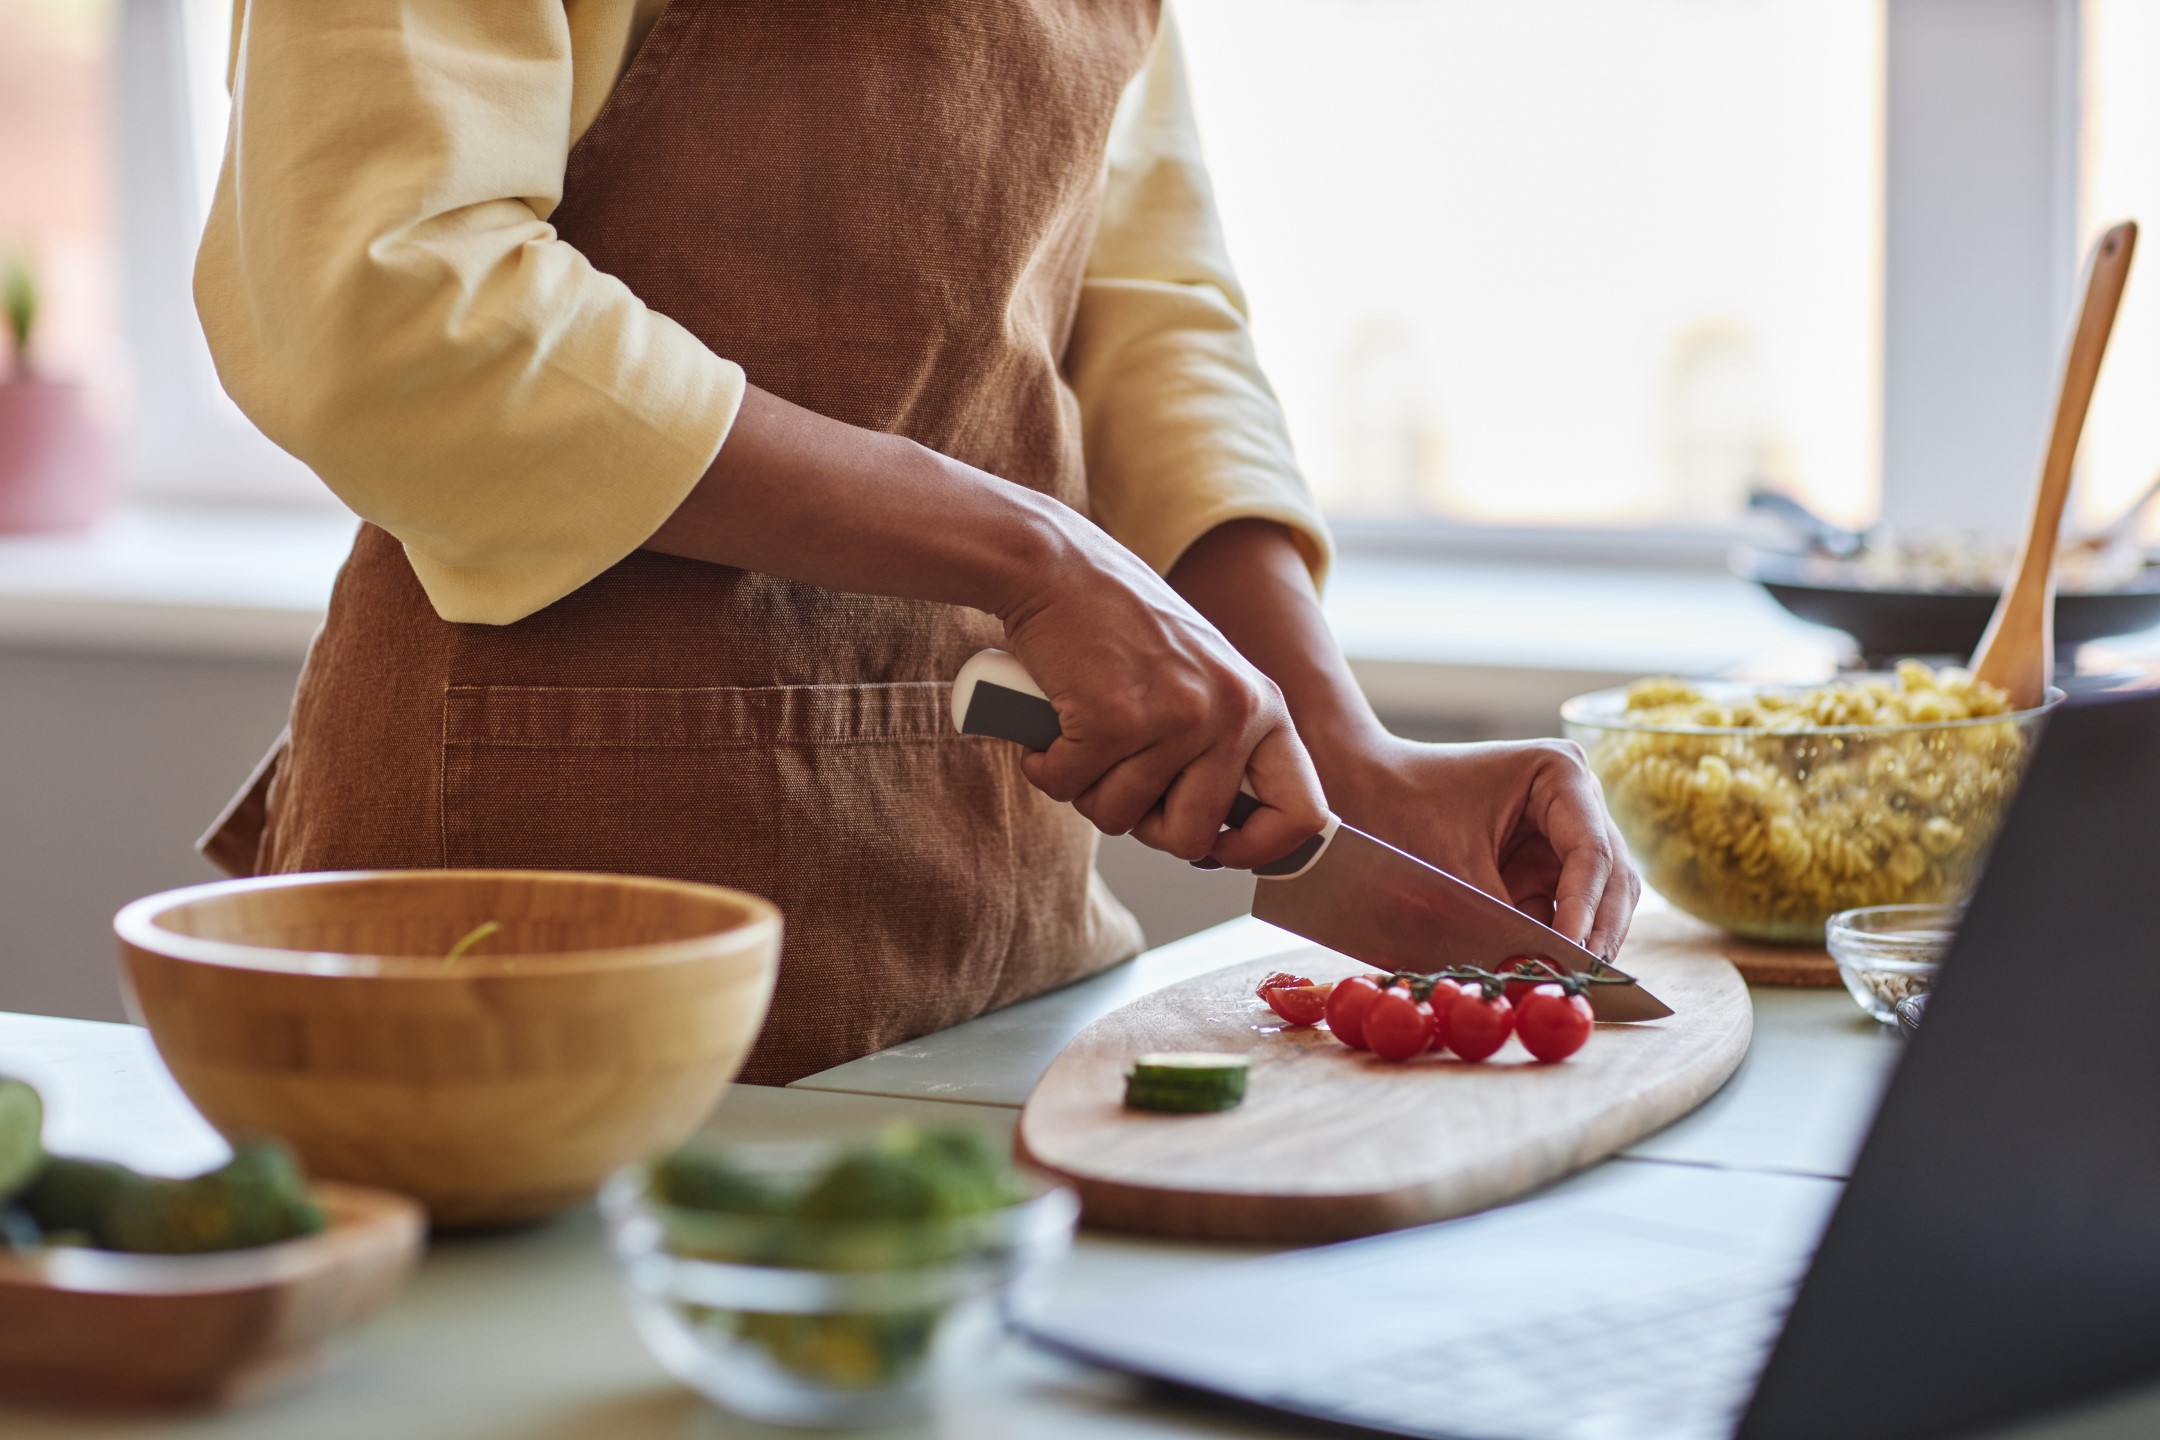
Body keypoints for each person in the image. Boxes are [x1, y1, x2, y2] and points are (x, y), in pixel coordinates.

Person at [195, 0, 1639, 1084]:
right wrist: (1036, 562)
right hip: (542, 931)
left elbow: (1140, 299)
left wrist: (1344, 751)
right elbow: (387, 303)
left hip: (998, 930)